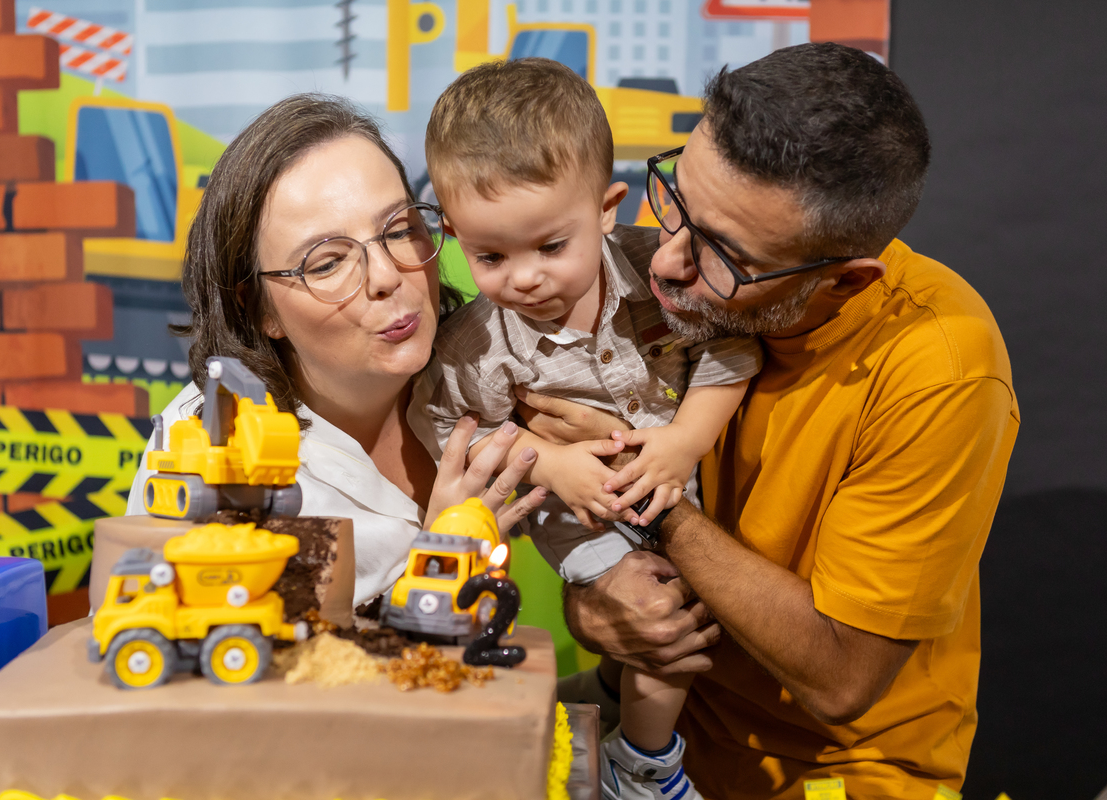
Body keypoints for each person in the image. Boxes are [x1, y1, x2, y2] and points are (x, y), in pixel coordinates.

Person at [522, 43, 1018, 799]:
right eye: (674, 198)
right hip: (653, 713)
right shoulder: (656, 280)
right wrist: (595, 604)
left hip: (831, 768)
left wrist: (651, 495)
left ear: (845, 281)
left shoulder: (942, 368)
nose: (665, 264)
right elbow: (587, 553)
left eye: (724, 255)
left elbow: (841, 676)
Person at [408, 58, 764, 800]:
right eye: (489, 256)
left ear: (606, 209)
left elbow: (734, 348)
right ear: (454, 232)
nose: (524, 278)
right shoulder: (479, 345)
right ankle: (645, 766)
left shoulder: (660, 273)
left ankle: (620, 731)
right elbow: (443, 423)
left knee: (719, 606)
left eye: (550, 247)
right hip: (582, 519)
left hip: (681, 487)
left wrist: (684, 441)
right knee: (662, 617)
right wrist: (544, 460)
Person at [125, 94, 548, 608]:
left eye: (400, 230)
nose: (387, 276)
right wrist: (432, 566)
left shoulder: (506, 361)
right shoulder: (208, 452)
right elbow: (169, 646)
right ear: (258, 309)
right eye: (326, 263)